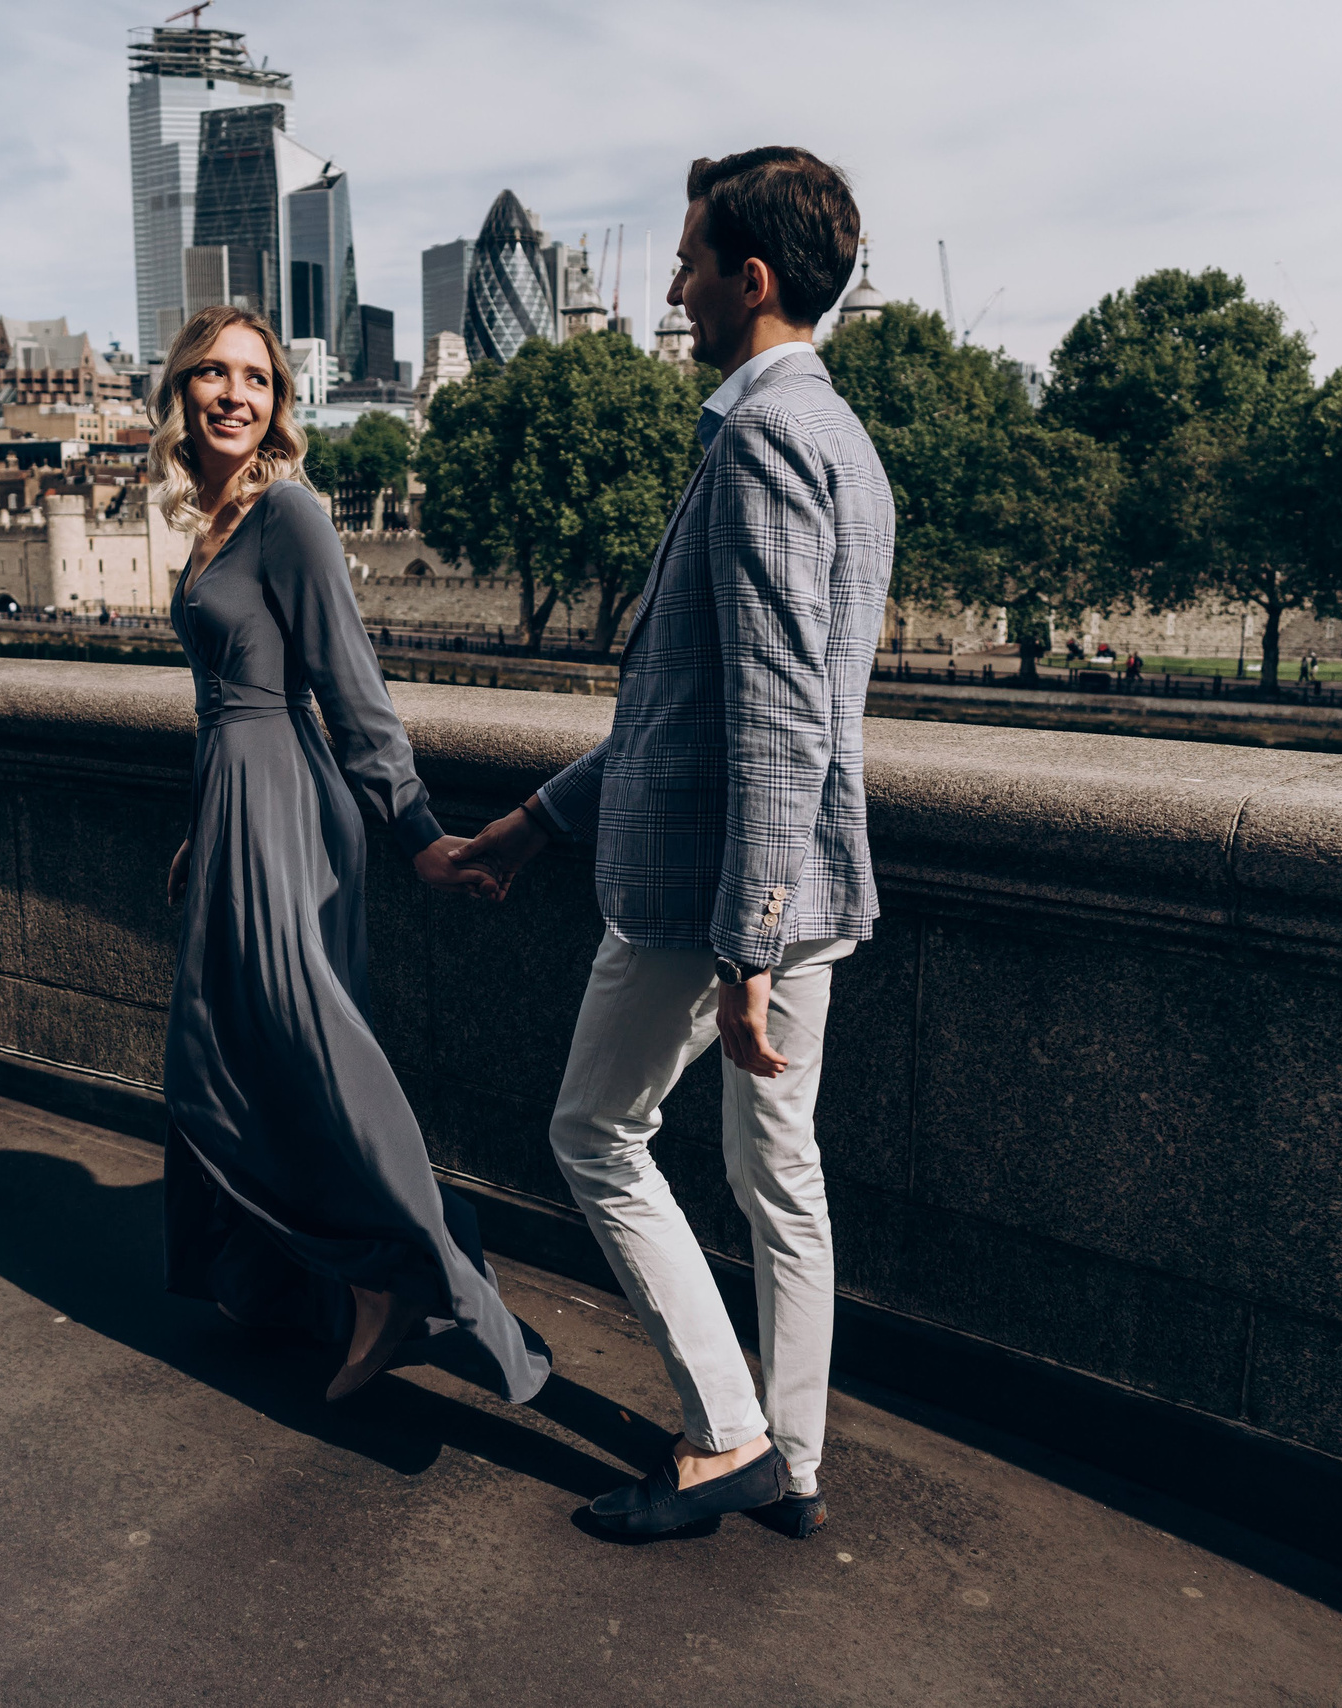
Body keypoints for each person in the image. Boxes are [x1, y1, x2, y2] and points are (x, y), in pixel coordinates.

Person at [456, 148, 894, 1538]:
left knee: (594, 1130)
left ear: (750, 281)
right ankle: (802, 1459)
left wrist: (743, 947)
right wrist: (537, 818)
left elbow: (768, 718)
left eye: (693, 257)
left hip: (718, 893)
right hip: (806, 878)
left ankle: (725, 1434)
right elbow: (705, 715)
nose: (674, 281)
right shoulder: (849, 443)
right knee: (784, 1178)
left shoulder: (759, 439)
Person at [155, 305, 552, 1408]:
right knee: (225, 1060)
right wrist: (202, 826)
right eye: (215, 374)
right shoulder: (210, 527)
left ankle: (400, 1281)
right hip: (235, 811)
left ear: (280, 405)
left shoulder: (289, 515)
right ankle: (295, 1291)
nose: (237, 394)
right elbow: (214, 708)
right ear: (180, 389)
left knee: (308, 1051)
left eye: (259, 380)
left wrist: (418, 835)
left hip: (292, 814)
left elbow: (348, 687)